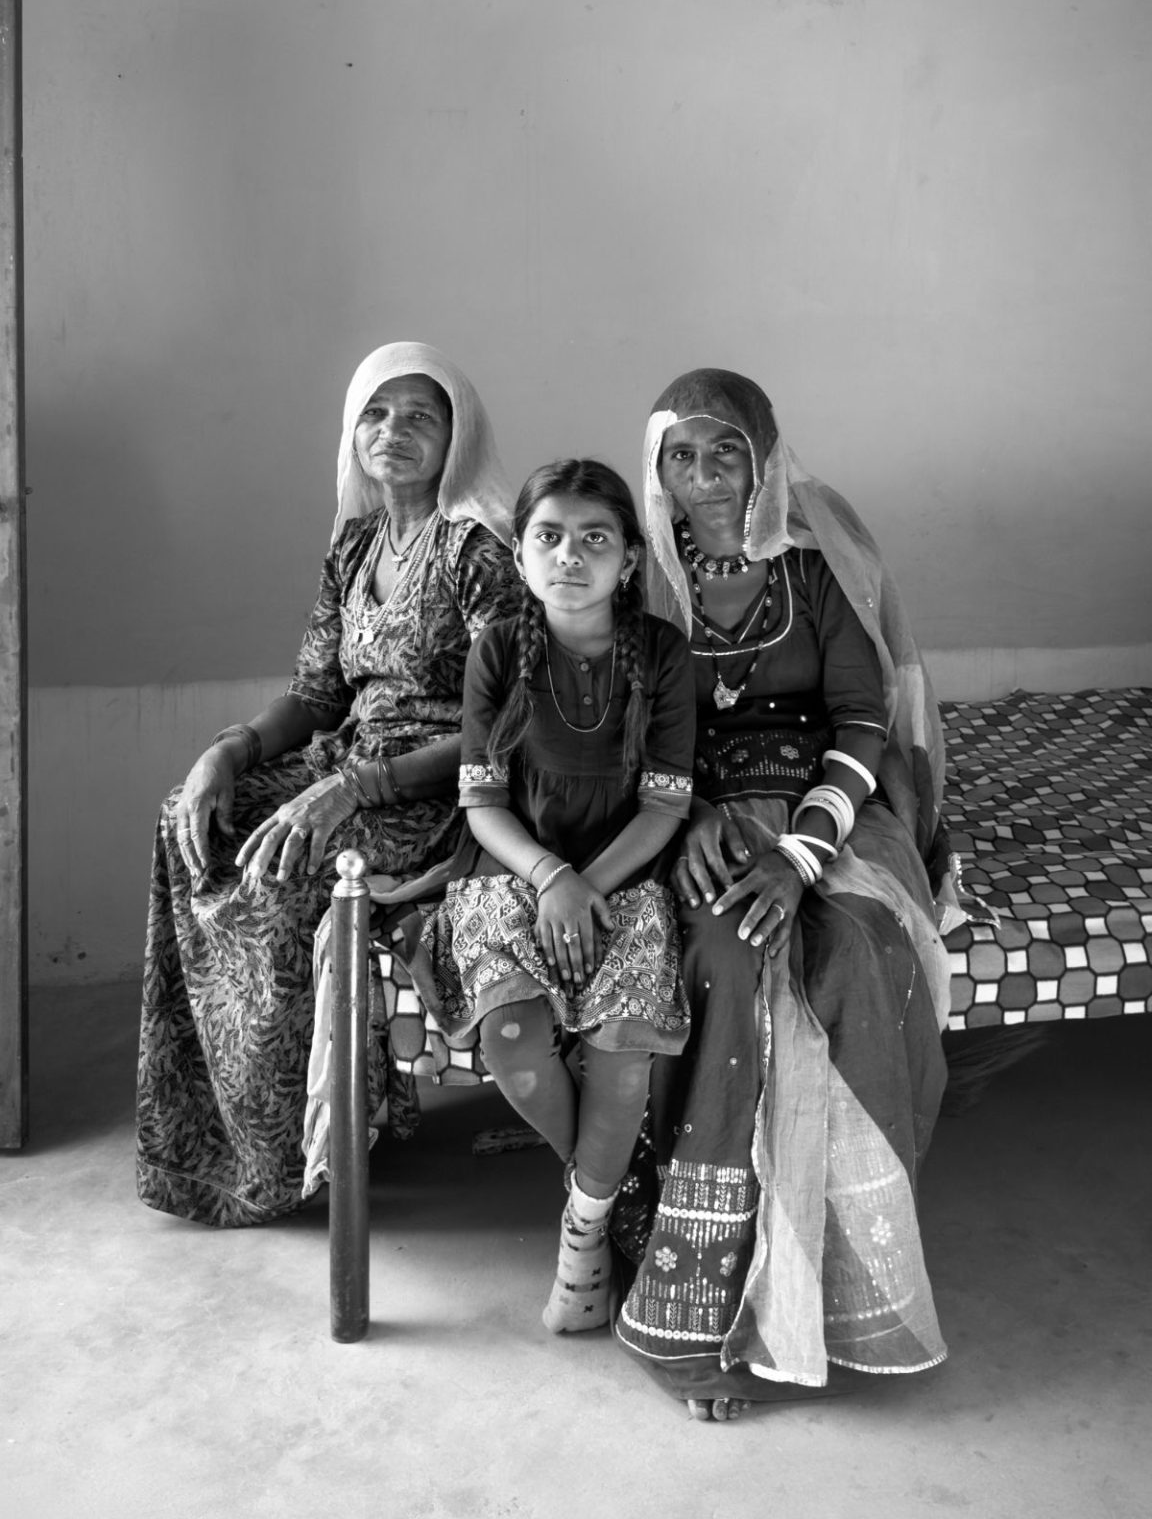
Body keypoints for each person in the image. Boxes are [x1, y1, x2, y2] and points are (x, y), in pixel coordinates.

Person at [612, 368, 955, 1421]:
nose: (705, 476)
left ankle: (836, 1293)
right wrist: (691, 815)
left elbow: (861, 721)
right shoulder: (643, 574)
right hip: (697, 812)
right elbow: (628, 724)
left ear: (765, 459)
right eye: (682, 456)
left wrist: (801, 855)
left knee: (857, 953)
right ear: (657, 471)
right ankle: (689, 1311)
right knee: (727, 960)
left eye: (727, 452)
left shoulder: (815, 564)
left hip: (827, 810)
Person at [136, 342, 519, 1228]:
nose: (395, 432)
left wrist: (357, 789)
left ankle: (289, 1157)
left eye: (420, 416)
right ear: (352, 433)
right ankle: (205, 1146)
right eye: (376, 415)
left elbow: (499, 725)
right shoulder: (354, 544)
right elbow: (317, 693)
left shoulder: (478, 553)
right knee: (184, 821)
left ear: (457, 437)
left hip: (437, 792)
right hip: (345, 762)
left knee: (281, 869)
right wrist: (226, 754)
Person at [420, 459, 697, 1332]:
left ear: (629, 558)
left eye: (594, 539)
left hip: (626, 875)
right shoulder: (500, 646)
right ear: (519, 549)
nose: (569, 557)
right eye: (548, 536)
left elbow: (664, 804)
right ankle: (615, 1193)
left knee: (622, 1052)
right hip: (511, 870)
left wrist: (587, 888)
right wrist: (549, 880)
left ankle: (582, 1238)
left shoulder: (661, 652)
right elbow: (482, 800)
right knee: (511, 1030)